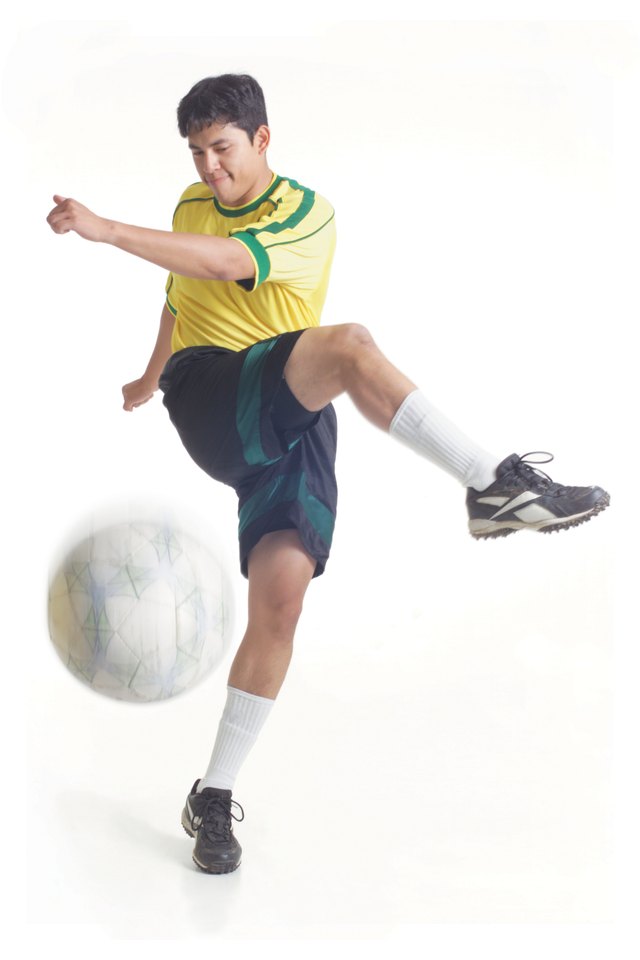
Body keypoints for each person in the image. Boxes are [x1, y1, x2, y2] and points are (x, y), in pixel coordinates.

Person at [47, 73, 609, 875]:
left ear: (263, 139)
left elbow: (223, 261)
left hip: (291, 418)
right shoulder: (187, 206)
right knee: (349, 346)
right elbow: (183, 292)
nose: (210, 168)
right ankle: (492, 482)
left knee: (278, 607)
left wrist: (108, 230)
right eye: (198, 153)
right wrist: (150, 374)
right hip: (212, 393)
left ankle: (213, 795)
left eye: (224, 149)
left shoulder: (306, 214)